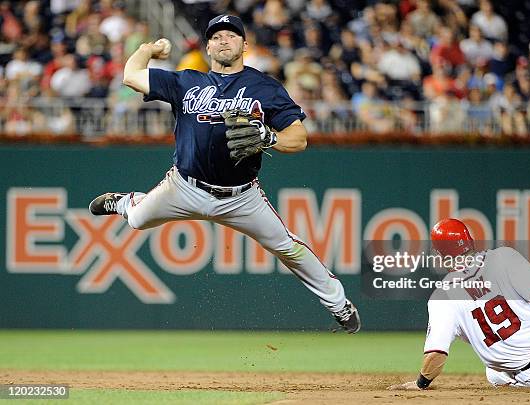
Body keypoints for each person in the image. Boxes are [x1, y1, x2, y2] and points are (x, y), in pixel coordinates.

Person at [87, 15, 361, 333]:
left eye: (231, 35)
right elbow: (131, 75)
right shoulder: (186, 81)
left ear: (245, 45)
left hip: (241, 196)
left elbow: (299, 138)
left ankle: (338, 304)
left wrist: (270, 138)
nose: (223, 40)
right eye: (216, 37)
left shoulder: (264, 87)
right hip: (184, 186)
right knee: (136, 220)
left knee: (289, 247)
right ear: (208, 47)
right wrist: (149, 48)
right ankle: (124, 202)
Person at [389, 218, 530, 390]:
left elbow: (436, 356)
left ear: (439, 255)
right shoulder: (503, 257)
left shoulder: (442, 297)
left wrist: (421, 384)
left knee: (508, 388)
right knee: (493, 373)